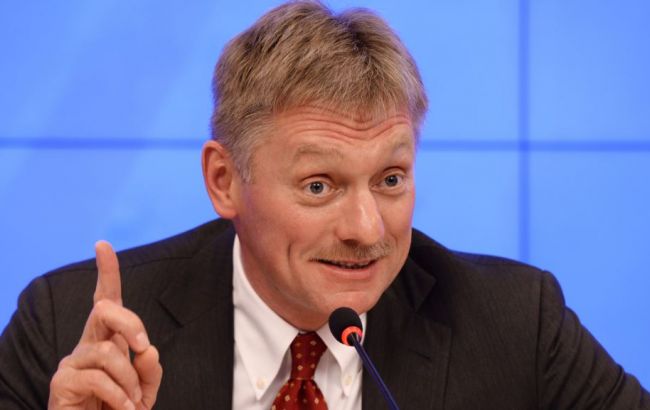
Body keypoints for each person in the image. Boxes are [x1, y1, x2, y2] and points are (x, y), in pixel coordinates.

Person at [0, 1, 648, 409]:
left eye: (390, 179)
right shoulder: (68, 332)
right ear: (225, 181)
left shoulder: (516, 325)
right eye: (320, 186)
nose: (367, 229)